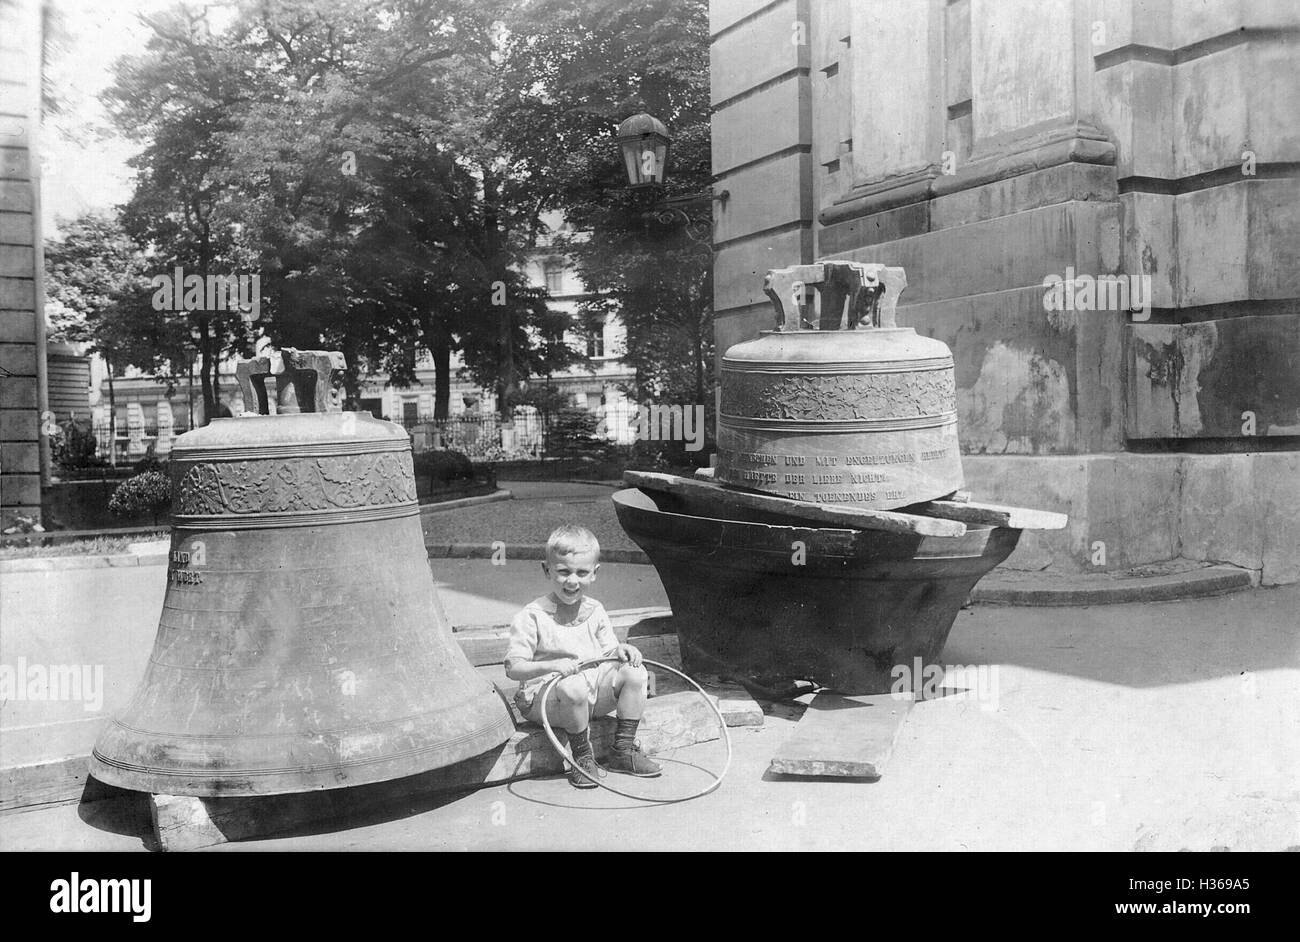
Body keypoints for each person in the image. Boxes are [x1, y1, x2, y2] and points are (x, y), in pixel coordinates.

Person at [504, 524, 661, 788]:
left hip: (589, 696)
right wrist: (553, 665)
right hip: (548, 699)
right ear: (547, 570)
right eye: (563, 571)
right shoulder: (533, 615)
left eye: (581, 572)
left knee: (636, 672)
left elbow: (610, 652)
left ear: (594, 574)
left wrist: (622, 651)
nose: (572, 580)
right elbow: (513, 667)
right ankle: (582, 756)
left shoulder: (594, 610)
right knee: (573, 685)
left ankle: (622, 751)